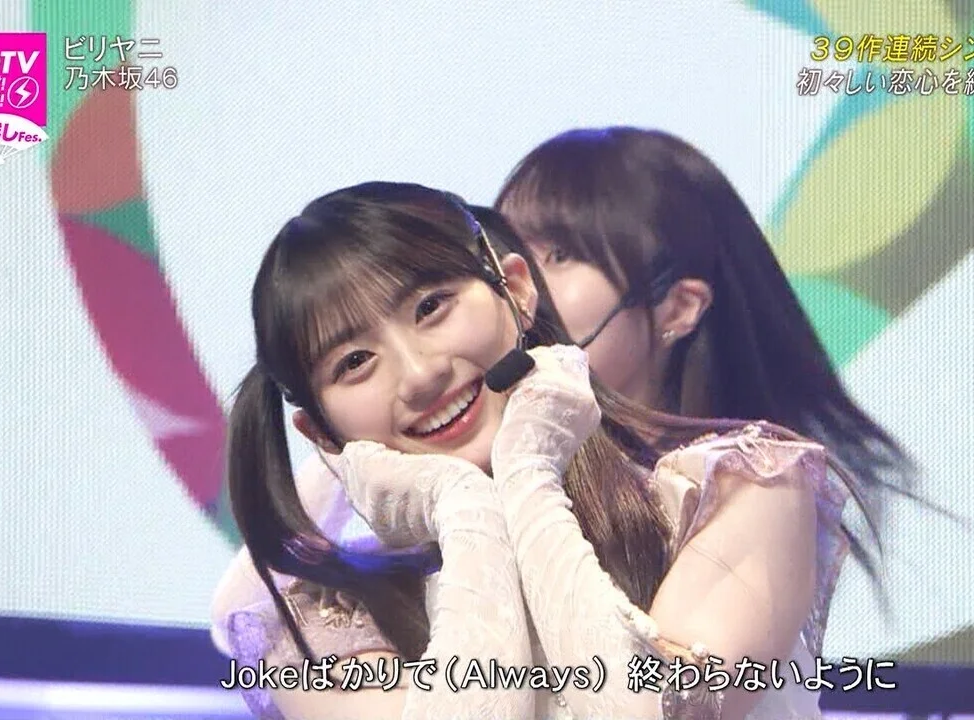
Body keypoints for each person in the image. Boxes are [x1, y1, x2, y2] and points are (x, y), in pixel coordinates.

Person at [210, 183, 866, 719]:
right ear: (322, 434)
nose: (420, 374)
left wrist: (527, 475)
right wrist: (466, 507)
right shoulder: (318, 631)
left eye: (432, 307)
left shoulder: (742, 485)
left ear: (516, 289)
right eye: (354, 362)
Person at [493, 127, 918, 530]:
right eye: (504, 252)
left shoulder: (749, 489)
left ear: (679, 308)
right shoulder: (489, 468)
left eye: (560, 255)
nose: (519, 280)